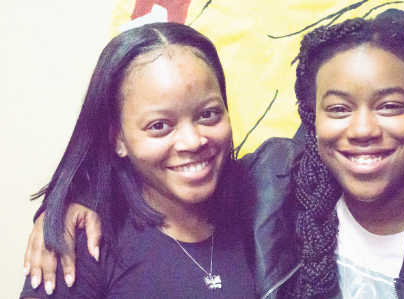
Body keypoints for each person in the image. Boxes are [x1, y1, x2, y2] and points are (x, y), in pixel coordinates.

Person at [23, 9, 404, 299]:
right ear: (313, 118)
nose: (363, 129)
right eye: (339, 108)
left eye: (209, 115)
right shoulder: (278, 181)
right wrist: (67, 201)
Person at [20, 22, 254, 298]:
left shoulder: (265, 211)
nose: (192, 141)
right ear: (118, 138)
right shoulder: (85, 245)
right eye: (159, 125)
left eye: (208, 114)